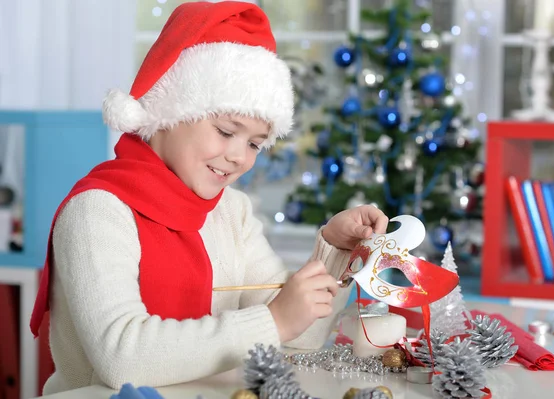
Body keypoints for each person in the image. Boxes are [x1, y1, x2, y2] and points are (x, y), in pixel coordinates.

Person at [29, 1, 389, 395]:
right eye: (225, 130)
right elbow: (122, 358)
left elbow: (298, 334)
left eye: (255, 143)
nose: (239, 156)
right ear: (170, 113)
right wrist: (273, 321)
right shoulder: (97, 210)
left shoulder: (230, 211)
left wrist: (333, 254)